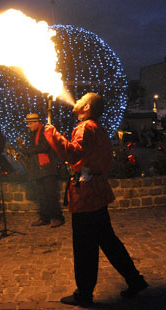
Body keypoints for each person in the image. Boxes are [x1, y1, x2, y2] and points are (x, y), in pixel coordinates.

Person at [44, 92, 148, 306]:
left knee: (84, 246)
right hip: (97, 191)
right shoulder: (97, 128)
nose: (78, 99)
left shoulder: (85, 127)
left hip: (87, 195)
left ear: (87, 107)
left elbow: (73, 154)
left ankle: (84, 294)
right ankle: (135, 280)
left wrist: (53, 135)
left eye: (83, 98)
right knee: (108, 241)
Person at [21, 113, 64, 228]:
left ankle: (57, 217)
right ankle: (44, 218)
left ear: (36, 122)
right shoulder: (33, 134)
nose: (28, 126)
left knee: (51, 194)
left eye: (30, 123)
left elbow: (44, 147)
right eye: (28, 123)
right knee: (41, 195)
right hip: (38, 169)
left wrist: (27, 150)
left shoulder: (45, 132)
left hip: (47, 168)